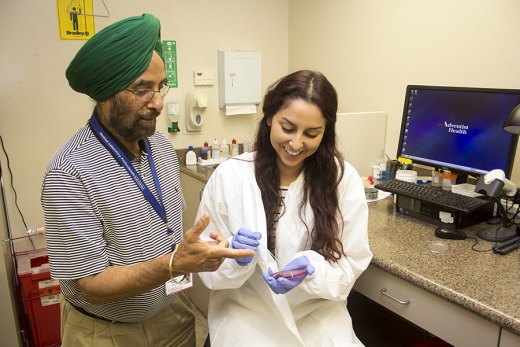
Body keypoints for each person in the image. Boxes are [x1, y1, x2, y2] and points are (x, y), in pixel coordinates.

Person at [40, 13, 254, 347]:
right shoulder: (68, 173)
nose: (157, 101)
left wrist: (197, 250)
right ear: (106, 93)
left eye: (160, 86)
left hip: (173, 316)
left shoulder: (162, 149)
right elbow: (91, 283)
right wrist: (173, 263)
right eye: (142, 89)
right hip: (107, 332)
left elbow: (163, 234)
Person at [197, 70, 373, 346]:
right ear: (269, 117)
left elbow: (350, 265)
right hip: (245, 314)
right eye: (288, 128)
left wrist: (314, 271)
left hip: (316, 315)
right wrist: (233, 258)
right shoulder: (230, 176)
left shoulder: (342, 180)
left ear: (325, 132)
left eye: (311, 133)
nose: (296, 143)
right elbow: (206, 269)